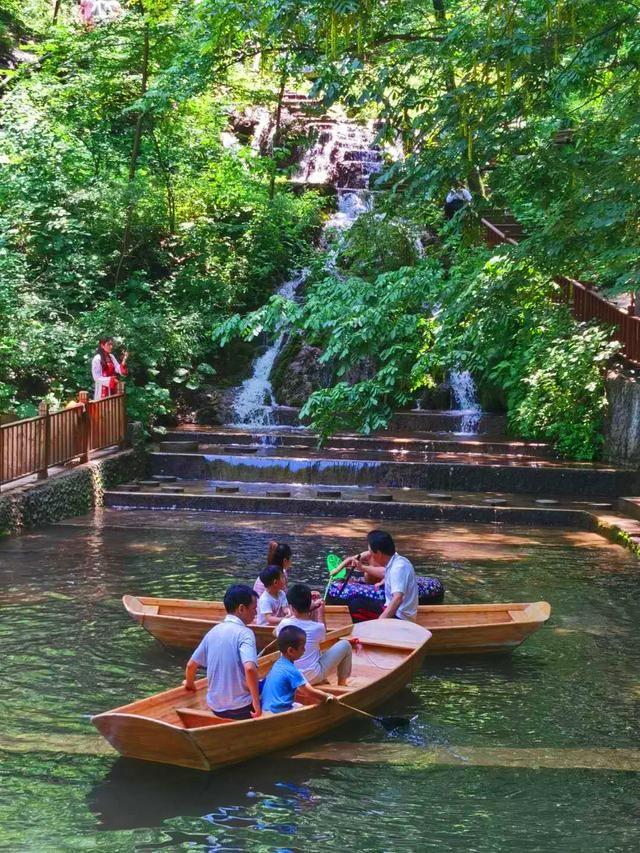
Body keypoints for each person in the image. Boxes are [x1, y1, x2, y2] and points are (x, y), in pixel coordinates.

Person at [183, 584, 261, 720]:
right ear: (241, 609)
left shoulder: (213, 631)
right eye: (254, 609)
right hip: (242, 709)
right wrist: (256, 703)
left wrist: (190, 684)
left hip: (216, 708)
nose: (256, 613)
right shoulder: (246, 633)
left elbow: (191, 666)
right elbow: (250, 669)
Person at [276, 584, 353, 686]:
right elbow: (323, 635)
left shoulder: (283, 624)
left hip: (290, 676)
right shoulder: (318, 628)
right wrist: (321, 610)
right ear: (309, 605)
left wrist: (307, 606)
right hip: (312, 677)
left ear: (291, 607)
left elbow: (278, 630)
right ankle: (342, 683)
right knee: (345, 645)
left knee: (316, 650)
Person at [339, 530, 419, 621]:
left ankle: (371, 633)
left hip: (401, 618)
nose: (370, 554)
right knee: (355, 599)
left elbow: (397, 599)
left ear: (379, 554)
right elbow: (384, 573)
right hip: (393, 610)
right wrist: (362, 568)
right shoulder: (396, 560)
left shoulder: (398, 567)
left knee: (356, 605)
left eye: (371, 552)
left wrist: (380, 622)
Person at [261, 625, 335, 714]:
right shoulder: (291, 670)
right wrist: (328, 696)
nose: (304, 650)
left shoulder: (278, 663)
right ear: (291, 651)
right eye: (302, 647)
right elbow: (309, 692)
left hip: (266, 709)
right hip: (277, 712)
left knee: (298, 705)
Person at [92, 336, 128, 401]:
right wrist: (111, 380)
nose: (111, 347)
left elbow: (118, 369)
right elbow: (96, 377)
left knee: (113, 408)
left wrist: (124, 359)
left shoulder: (111, 356)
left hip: (112, 388)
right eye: (108, 345)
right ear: (102, 345)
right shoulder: (97, 359)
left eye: (111, 344)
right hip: (102, 389)